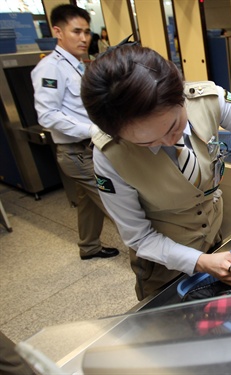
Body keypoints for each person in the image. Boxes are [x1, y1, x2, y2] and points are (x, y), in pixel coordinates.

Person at [80, 44, 231, 300]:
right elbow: (139, 238)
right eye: (147, 143)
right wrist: (200, 262)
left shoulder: (208, 99)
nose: (169, 141)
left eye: (174, 126)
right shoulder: (109, 154)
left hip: (217, 238)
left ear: (180, 94)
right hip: (163, 265)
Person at [31, 4, 119, 261]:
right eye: (76, 31)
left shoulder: (77, 65)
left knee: (88, 202)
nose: (84, 38)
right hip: (78, 152)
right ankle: (153, 261)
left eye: (87, 32)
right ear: (57, 31)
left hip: (88, 149)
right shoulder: (50, 68)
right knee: (118, 205)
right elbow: (47, 115)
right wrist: (93, 129)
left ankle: (89, 246)